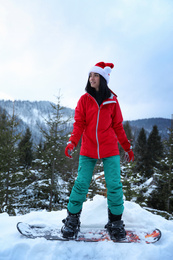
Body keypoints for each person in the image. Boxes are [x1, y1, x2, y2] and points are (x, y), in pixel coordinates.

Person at [61, 61, 134, 241]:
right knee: (81, 184)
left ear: (102, 78)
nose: (91, 78)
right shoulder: (84, 100)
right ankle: (72, 221)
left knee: (115, 186)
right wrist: (72, 143)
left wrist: (127, 147)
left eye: (95, 75)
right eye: (90, 75)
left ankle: (115, 223)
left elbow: (118, 126)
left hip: (110, 149)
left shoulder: (112, 101)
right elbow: (79, 124)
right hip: (88, 148)